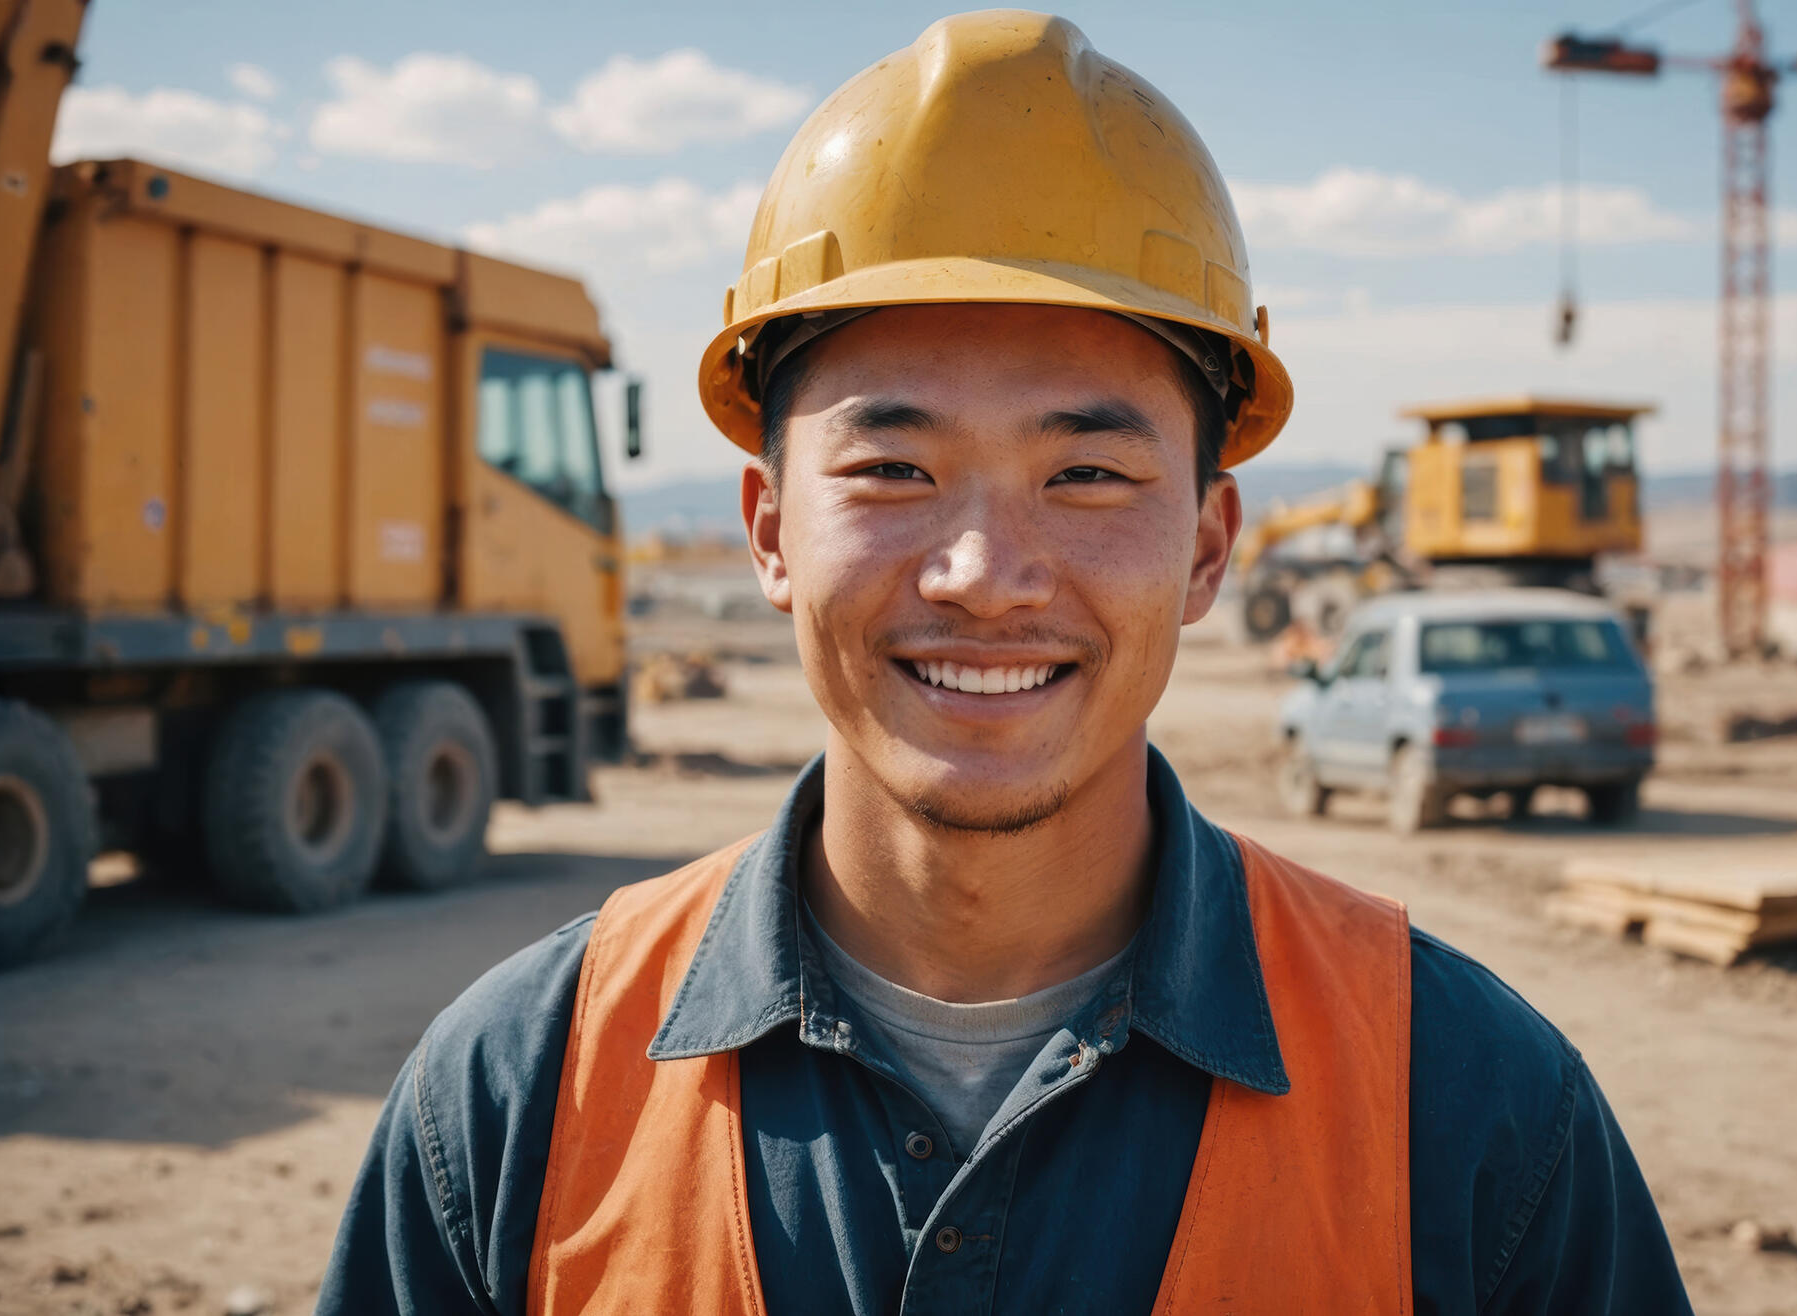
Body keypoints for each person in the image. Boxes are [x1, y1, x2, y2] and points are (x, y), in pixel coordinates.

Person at [318, 11, 1691, 1313]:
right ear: (769, 530)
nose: (984, 575)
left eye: (1086, 473)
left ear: (1209, 548)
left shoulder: (1466, 1109)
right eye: (894, 469)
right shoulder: (517, 1098)